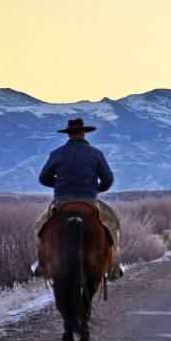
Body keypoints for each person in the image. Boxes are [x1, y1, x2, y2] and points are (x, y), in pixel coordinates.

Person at [33, 118, 124, 279]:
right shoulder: (96, 154)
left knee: (40, 226)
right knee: (113, 223)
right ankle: (115, 267)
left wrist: (59, 184)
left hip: (62, 202)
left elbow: (43, 178)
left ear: (68, 134)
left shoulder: (57, 154)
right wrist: (96, 188)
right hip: (89, 200)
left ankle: (40, 264)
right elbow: (108, 180)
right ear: (83, 133)